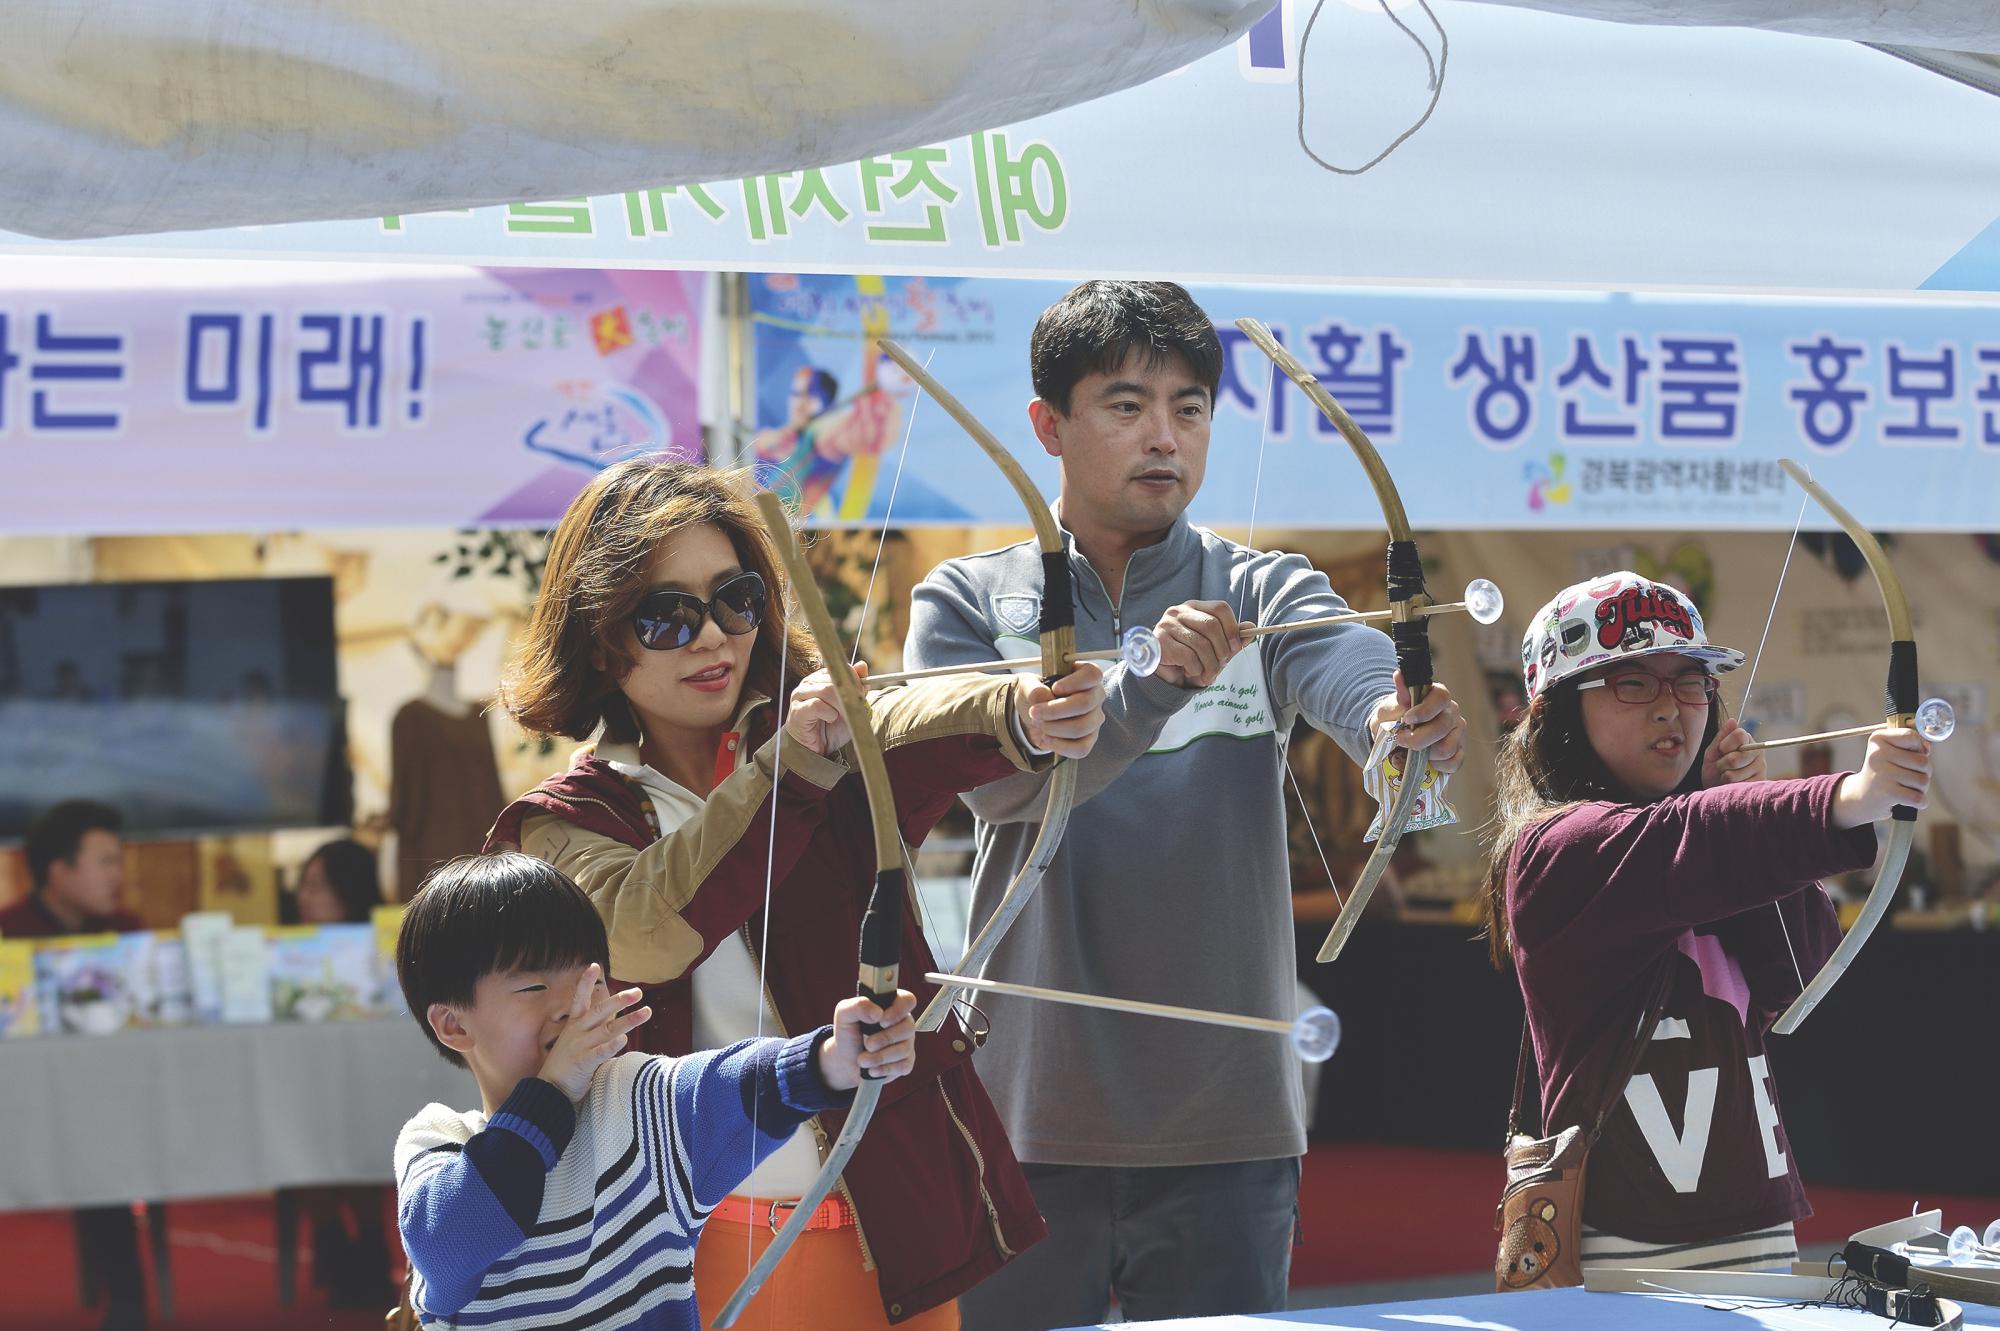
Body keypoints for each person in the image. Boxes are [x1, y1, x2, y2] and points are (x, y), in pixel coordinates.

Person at [902, 280, 1467, 1328]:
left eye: (1189, 407)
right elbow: (1001, 791)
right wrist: (1148, 687)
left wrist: (1398, 728)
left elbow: (1352, 678)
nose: (1164, 436)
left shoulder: (1262, 587)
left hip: (1228, 1117)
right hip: (1021, 1106)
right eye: (1125, 404)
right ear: (1048, 424)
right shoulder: (965, 601)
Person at [486, 458, 1107, 1329]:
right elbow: (648, 931)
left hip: (884, 1230)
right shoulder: (563, 822)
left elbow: (904, 721)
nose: (712, 637)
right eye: (666, 614)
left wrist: (1023, 710)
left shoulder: (819, 746)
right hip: (679, 1254)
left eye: (735, 598)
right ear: (600, 639)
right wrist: (792, 760)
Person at [1479, 570, 1932, 1272]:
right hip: (1619, 1254)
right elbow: (1680, 841)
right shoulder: (1553, 848)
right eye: (1633, 683)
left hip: (1759, 1235)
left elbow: (1804, 971)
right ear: (1559, 711)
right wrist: (1850, 796)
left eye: (1691, 682)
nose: (1673, 708)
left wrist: (1748, 805)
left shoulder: (1712, 843)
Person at [393, 852, 919, 1329]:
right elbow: (448, 1245)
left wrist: (832, 1059)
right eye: (533, 986)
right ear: (453, 1026)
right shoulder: (437, 1140)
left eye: (590, 982)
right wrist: (551, 1093)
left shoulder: (633, 1100)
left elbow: (730, 1083)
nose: (571, 1007)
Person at [0, 800, 150, 1330]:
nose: (119, 874)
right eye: (105, 861)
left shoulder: (129, 932)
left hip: (110, 1107)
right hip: (20, 1106)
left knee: (100, 1140)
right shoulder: (8, 935)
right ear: (58, 871)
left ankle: (128, 1296)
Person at [286, 838, 398, 1309]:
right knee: (297, 1125)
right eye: (303, 885)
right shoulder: (287, 951)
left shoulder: (386, 947)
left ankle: (366, 1249)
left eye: (317, 886)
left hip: (369, 1081)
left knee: (362, 1126)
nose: (304, 897)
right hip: (307, 1084)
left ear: (347, 892)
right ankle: (335, 1244)